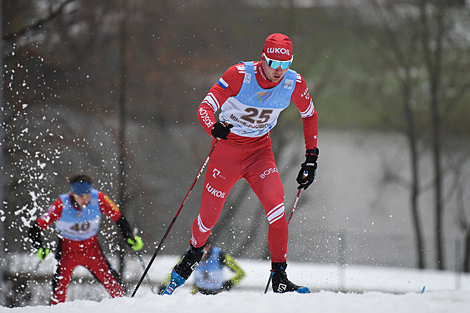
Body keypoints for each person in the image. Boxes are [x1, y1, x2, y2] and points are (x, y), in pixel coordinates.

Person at [162, 33, 319, 295]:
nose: (279, 71)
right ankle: (192, 255)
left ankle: (279, 276)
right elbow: (205, 107)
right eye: (273, 64)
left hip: (260, 153)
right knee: (208, 218)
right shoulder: (240, 75)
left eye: (285, 64)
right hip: (228, 153)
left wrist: (311, 159)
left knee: (276, 206)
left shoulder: (294, 83)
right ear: (263, 59)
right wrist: (214, 127)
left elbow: (310, 115)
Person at [28, 173, 144, 304]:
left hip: (92, 249)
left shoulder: (98, 198)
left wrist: (129, 237)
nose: (85, 199)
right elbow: (35, 229)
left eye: (87, 195)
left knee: (116, 288)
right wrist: (40, 247)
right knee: (58, 296)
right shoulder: (61, 204)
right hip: (67, 251)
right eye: (81, 196)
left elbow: (119, 218)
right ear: (73, 194)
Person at [159, 243, 245, 295]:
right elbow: (175, 271)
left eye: (205, 248)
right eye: (199, 249)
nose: (202, 253)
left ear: (209, 246)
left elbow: (241, 273)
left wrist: (230, 283)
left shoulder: (219, 255)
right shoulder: (191, 253)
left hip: (218, 293)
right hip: (198, 292)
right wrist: (164, 285)